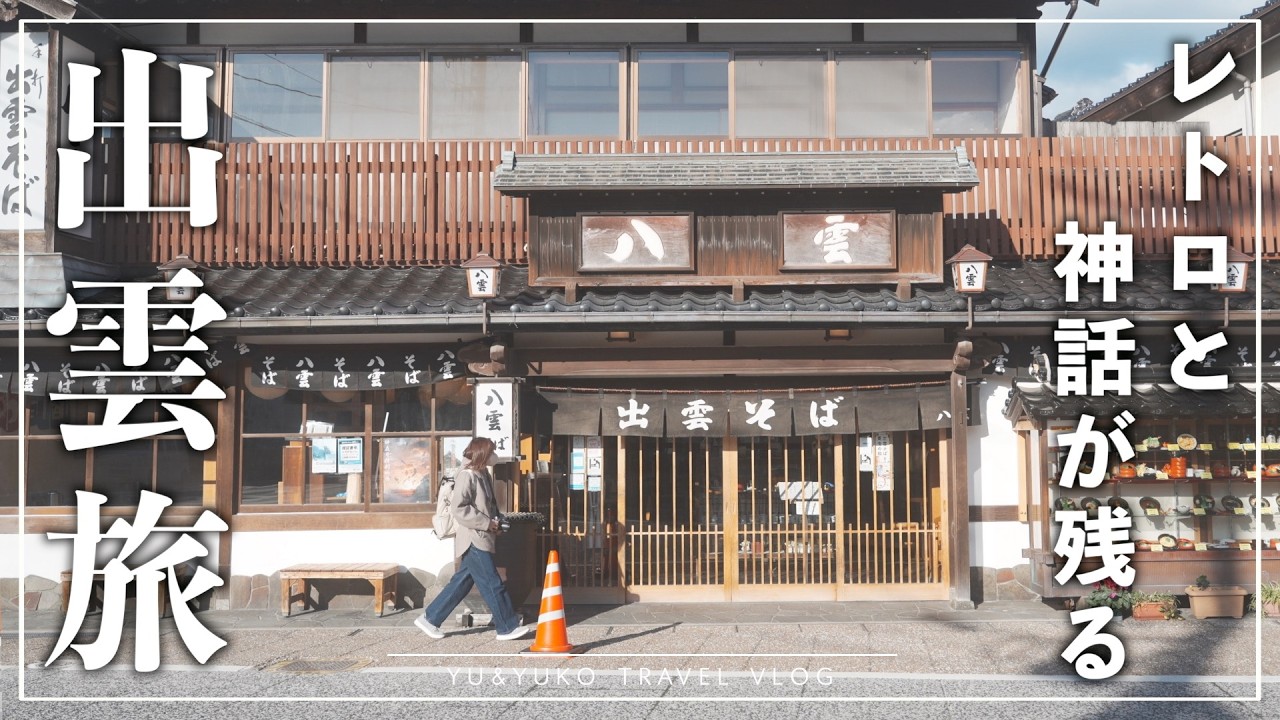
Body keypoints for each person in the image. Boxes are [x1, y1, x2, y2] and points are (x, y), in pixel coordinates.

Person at [415, 436, 531, 641]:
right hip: (473, 538)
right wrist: (487, 523)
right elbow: (459, 508)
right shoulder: (467, 475)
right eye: (491, 451)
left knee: (460, 584)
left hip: (480, 536)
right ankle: (507, 627)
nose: (494, 455)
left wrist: (496, 522)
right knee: (492, 583)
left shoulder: (481, 473)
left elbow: (486, 506)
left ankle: (430, 618)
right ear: (483, 453)